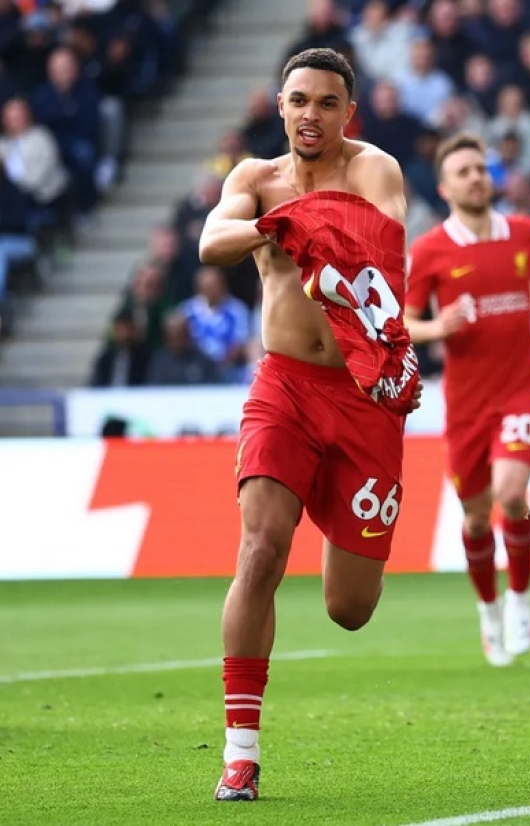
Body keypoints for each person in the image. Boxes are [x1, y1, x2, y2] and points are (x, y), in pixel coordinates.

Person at [198, 47, 419, 802]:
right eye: (299, 101)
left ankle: (338, 521)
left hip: (364, 397)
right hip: (284, 386)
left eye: (327, 103)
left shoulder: (375, 169)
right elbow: (211, 242)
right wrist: (278, 223)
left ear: (347, 113)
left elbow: (381, 249)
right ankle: (240, 754)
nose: (311, 114)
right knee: (259, 551)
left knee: (348, 610)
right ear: (280, 106)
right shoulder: (253, 180)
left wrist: (305, 226)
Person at [404, 133, 530, 668]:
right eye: (465, 171)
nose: (477, 177)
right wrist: (438, 326)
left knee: (512, 492)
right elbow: (405, 322)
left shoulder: (522, 232)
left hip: (522, 387)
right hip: (466, 404)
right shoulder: (430, 249)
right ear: (445, 187)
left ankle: (521, 598)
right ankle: (488, 609)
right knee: (476, 519)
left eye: (482, 168)